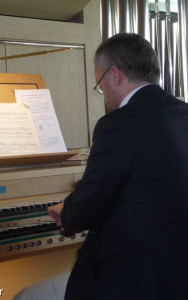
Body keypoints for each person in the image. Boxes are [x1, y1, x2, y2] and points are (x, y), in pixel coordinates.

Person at [46, 32, 188, 299]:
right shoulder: (184, 113)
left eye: (100, 84)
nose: (104, 95)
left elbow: (91, 200)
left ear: (114, 74)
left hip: (137, 280)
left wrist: (67, 212)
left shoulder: (117, 124)